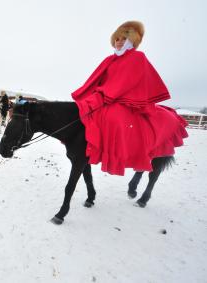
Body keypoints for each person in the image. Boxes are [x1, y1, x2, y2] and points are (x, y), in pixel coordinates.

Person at [71, 21, 188, 176]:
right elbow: (96, 80)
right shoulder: (109, 60)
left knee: (115, 119)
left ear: (132, 41)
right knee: (84, 112)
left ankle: (129, 155)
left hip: (127, 99)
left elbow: (128, 81)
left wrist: (106, 93)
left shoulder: (138, 57)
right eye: (117, 39)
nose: (118, 42)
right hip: (105, 96)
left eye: (123, 39)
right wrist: (95, 94)